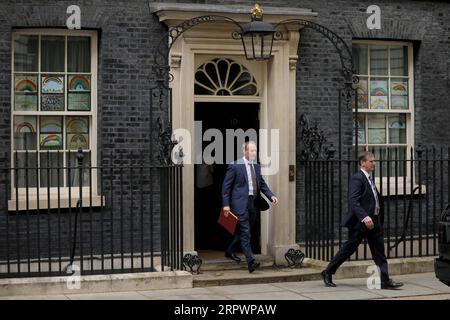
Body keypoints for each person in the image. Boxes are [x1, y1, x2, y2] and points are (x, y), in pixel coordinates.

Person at [321, 151, 404, 289]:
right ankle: (328, 271)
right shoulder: (357, 178)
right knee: (348, 249)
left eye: (374, 161)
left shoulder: (370, 179)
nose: (374, 163)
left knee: (379, 252)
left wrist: (376, 217)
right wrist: (365, 217)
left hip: (374, 221)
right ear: (363, 163)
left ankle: (385, 281)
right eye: (371, 161)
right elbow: (353, 201)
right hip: (361, 223)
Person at [222, 141, 279, 273]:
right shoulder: (235, 166)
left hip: (253, 203)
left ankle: (230, 250)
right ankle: (251, 261)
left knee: (244, 231)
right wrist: (226, 205)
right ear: (244, 151)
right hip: (239, 203)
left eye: (255, 150)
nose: (254, 153)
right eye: (251, 150)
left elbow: (262, 184)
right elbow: (226, 187)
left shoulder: (257, 167)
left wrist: (271, 196)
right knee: (246, 232)